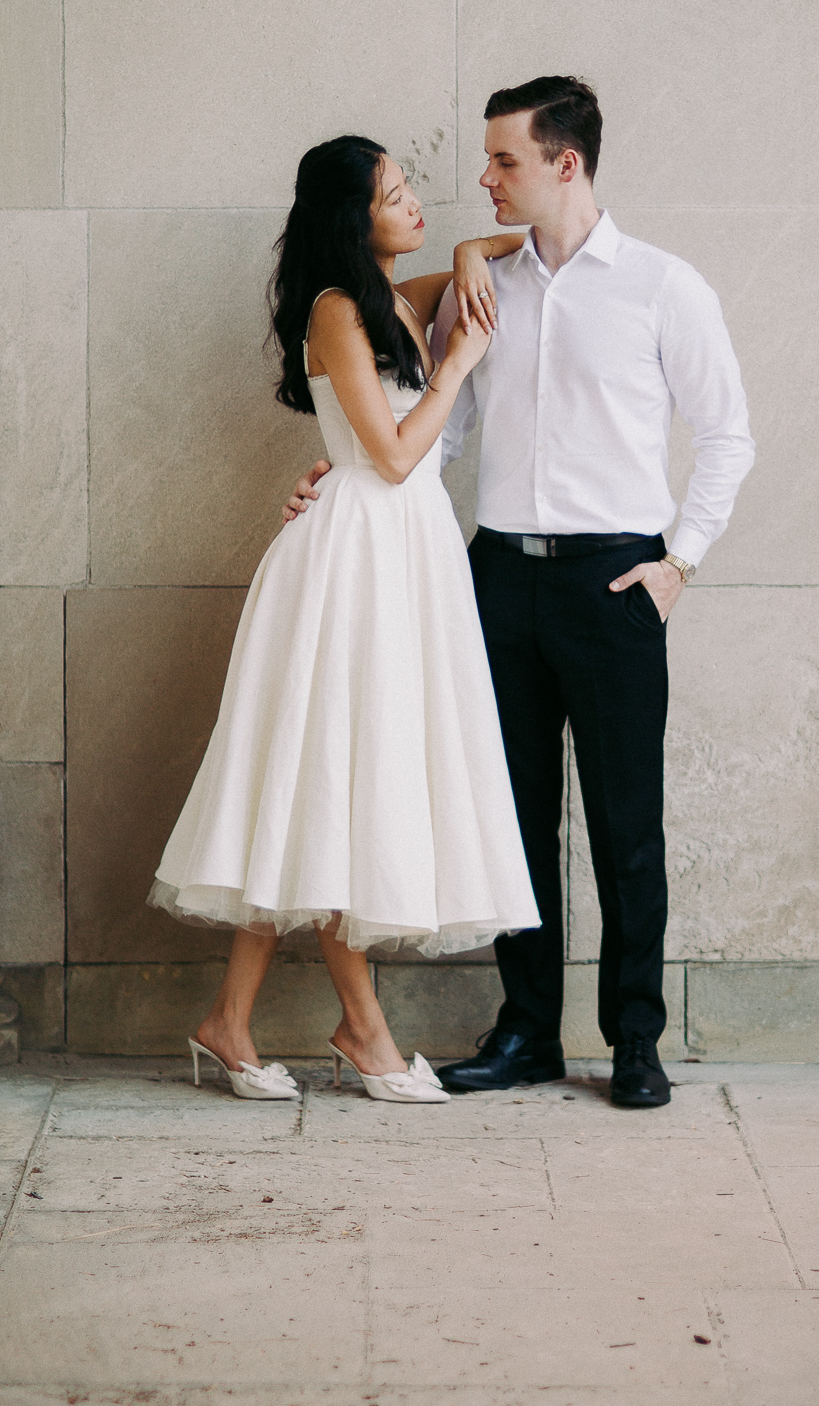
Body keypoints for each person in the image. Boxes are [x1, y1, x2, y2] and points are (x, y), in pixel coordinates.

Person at [287, 79, 754, 1109]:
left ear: (565, 164)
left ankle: (635, 1038)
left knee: (626, 823)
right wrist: (342, 473)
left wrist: (679, 559)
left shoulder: (663, 287)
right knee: (513, 819)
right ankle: (527, 1032)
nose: (483, 178)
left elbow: (728, 434)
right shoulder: (478, 290)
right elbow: (432, 430)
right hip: (495, 573)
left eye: (503, 160)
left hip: (614, 576)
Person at [150, 135, 539, 1105]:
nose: (416, 204)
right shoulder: (334, 310)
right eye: (396, 195)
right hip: (353, 565)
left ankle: (231, 1022)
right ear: (349, 216)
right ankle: (361, 1030)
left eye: (408, 190)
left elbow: (506, 239)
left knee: (314, 788)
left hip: (399, 559)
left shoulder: (388, 303)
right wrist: (458, 362)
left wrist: (459, 257)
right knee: (331, 779)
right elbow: (398, 455)